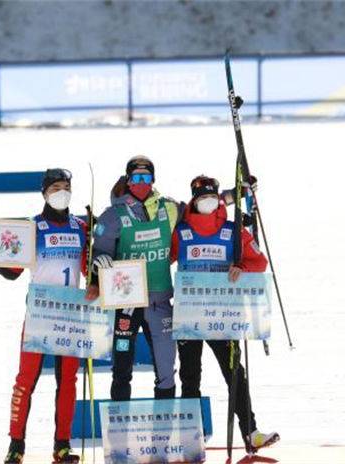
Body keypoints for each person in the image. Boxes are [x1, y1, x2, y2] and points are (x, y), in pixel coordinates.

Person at [0, 168, 87, 464]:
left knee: (68, 381)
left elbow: (87, 268)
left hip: (70, 314)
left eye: (66, 187)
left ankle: (62, 445)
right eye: (56, 187)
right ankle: (16, 445)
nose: (62, 192)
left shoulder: (80, 226)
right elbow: (12, 273)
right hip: (40, 314)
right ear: (44, 193)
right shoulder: (31, 227)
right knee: (26, 380)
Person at [171, 174, 279, 453]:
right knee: (189, 376)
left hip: (223, 316)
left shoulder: (233, 230)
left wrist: (242, 267)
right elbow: (161, 259)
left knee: (234, 373)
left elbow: (259, 261)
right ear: (194, 200)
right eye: (201, 198)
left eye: (211, 197)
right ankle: (189, 437)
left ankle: (250, 432)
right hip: (189, 317)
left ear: (218, 199)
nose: (207, 202)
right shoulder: (181, 230)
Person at [84, 155, 182, 401]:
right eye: (136, 177)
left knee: (166, 367)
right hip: (126, 303)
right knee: (122, 368)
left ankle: (165, 430)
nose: (141, 182)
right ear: (128, 181)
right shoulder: (112, 215)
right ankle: (121, 430)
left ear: (153, 179)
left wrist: (233, 195)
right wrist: (98, 269)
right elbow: (100, 253)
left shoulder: (168, 208)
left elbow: (201, 209)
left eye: (146, 177)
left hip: (159, 303)